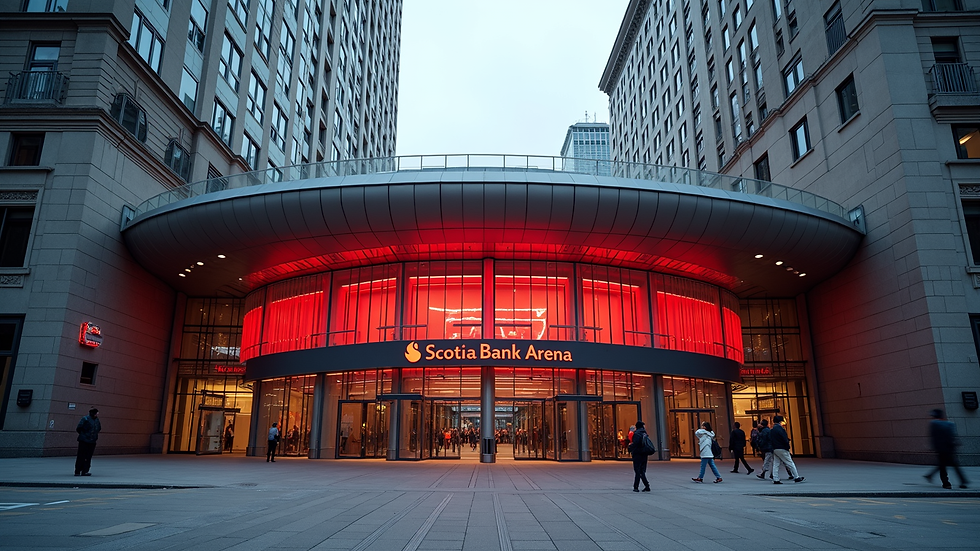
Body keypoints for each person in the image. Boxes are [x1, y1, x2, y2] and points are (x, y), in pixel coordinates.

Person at [925, 409, 969, 489]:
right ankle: (963, 481)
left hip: (941, 448)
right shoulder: (950, 424)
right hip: (950, 448)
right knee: (953, 465)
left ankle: (946, 483)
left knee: (943, 466)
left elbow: (933, 437)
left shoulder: (933, 424)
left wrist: (932, 446)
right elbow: (953, 435)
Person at [770, 415, 804, 484]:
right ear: (780, 421)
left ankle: (775, 478)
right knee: (790, 462)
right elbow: (785, 439)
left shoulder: (772, 430)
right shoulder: (781, 429)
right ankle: (796, 477)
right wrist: (788, 447)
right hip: (782, 448)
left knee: (776, 464)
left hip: (775, 448)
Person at [75, 407, 102, 476]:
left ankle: (85, 470)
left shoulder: (96, 420)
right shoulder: (85, 419)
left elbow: (98, 428)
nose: (97, 414)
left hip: (92, 441)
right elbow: (79, 428)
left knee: (88, 456)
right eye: (96, 413)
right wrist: (84, 435)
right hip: (84, 440)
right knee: (81, 456)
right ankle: (78, 470)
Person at [629, 420, 652, 492]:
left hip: (637, 454)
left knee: (637, 470)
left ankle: (636, 487)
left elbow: (635, 444)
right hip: (644, 454)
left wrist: (630, 447)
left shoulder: (637, 434)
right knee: (642, 470)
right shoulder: (644, 433)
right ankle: (646, 486)